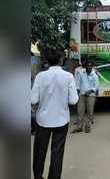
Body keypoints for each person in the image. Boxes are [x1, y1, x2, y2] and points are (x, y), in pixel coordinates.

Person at [31, 49, 79, 179]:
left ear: (47, 61)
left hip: (43, 121)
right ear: (61, 60)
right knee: (57, 153)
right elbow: (73, 100)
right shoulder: (68, 76)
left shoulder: (40, 76)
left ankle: (38, 176)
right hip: (61, 120)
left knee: (39, 151)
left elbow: (33, 99)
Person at [71, 62, 99, 133]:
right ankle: (79, 127)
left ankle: (88, 127)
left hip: (91, 96)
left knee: (90, 111)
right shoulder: (82, 74)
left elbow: (96, 86)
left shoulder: (94, 75)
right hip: (81, 95)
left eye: (90, 67)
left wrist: (90, 91)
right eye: (87, 66)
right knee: (80, 111)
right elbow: (78, 83)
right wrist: (77, 92)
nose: (88, 68)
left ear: (92, 67)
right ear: (85, 67)